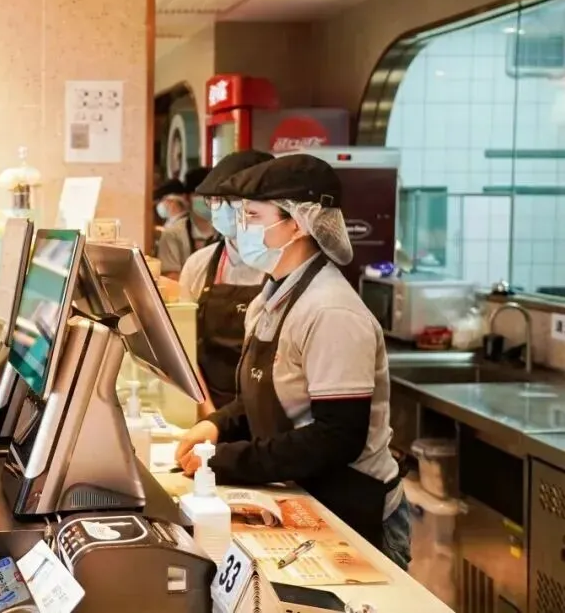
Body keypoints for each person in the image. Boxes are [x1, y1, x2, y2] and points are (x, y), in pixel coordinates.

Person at [173, 154, 411, 569]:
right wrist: (218, 424)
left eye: (252, 216)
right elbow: (269, 394)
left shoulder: (331, 311)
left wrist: (229, 460)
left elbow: (337, 436)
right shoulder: (271, 297)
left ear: (298, 223)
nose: (241, 228)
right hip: (303, 495)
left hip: (354, 509)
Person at [178, 150, 273, 414]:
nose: (220, 208)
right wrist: (210, 415)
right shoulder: (198, 264)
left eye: (230, 200)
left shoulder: (283, 266)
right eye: (214, 200)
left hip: (267, 415)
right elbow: (185, 348)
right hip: (210, 408)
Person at [157, 166, 218, 280]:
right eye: (202, 195)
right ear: (187, 198)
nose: (209, 201)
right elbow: (171, 277)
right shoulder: (173, 234)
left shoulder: (226, 232)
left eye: (213, 197)